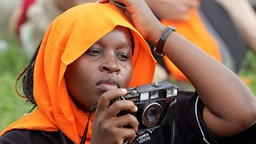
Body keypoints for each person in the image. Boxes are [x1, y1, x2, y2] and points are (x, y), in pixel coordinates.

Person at [1, 0, 256, 144]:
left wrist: (158, 33)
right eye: (93, 51)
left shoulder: (152, 117)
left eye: (124, 56)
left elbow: (243, 111)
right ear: (59, 63)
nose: (112, 64)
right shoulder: (23, 140)